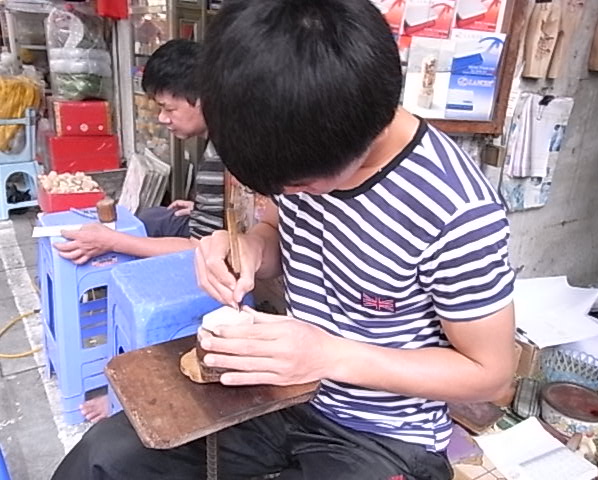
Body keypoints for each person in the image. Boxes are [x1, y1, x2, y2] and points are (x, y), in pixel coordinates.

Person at [51, 1, 516, 479]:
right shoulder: (298, 138)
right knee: (106, 456)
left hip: (381, 435)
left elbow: (490, 374)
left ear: (356, 138)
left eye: (299, 186)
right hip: (279, 394)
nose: (289, 195)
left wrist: (329, 356)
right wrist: (248, 249)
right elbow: (275, 232)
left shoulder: (456, 209)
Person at [53, 39, 225, 423]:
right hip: (211, 233)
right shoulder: (218, 136)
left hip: (217, 258)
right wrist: (199, 206)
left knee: (125, 254)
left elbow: (198, 250)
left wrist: (113, 241)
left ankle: (129, 380)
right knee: (150, 218)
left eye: (169, 108)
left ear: (202, 100)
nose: (163, 118)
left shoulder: (223, 152)